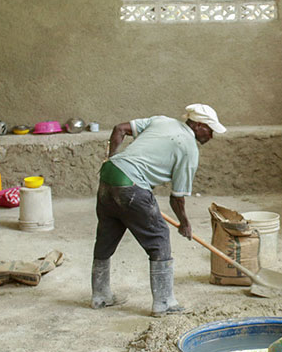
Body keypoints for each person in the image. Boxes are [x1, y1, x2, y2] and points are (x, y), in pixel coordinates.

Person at [90, 104, 226, 316]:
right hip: (132, 186)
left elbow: (119, 129)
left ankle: (100, 295)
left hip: (108, 176)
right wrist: (184, 223)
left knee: (107, 234)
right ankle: (164, 303)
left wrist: (113, 159)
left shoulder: (163, 120)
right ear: (198, 125)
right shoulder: (189, 148)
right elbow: (177, 198)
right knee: (159, 237)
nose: (211, 135)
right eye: (210, 130)